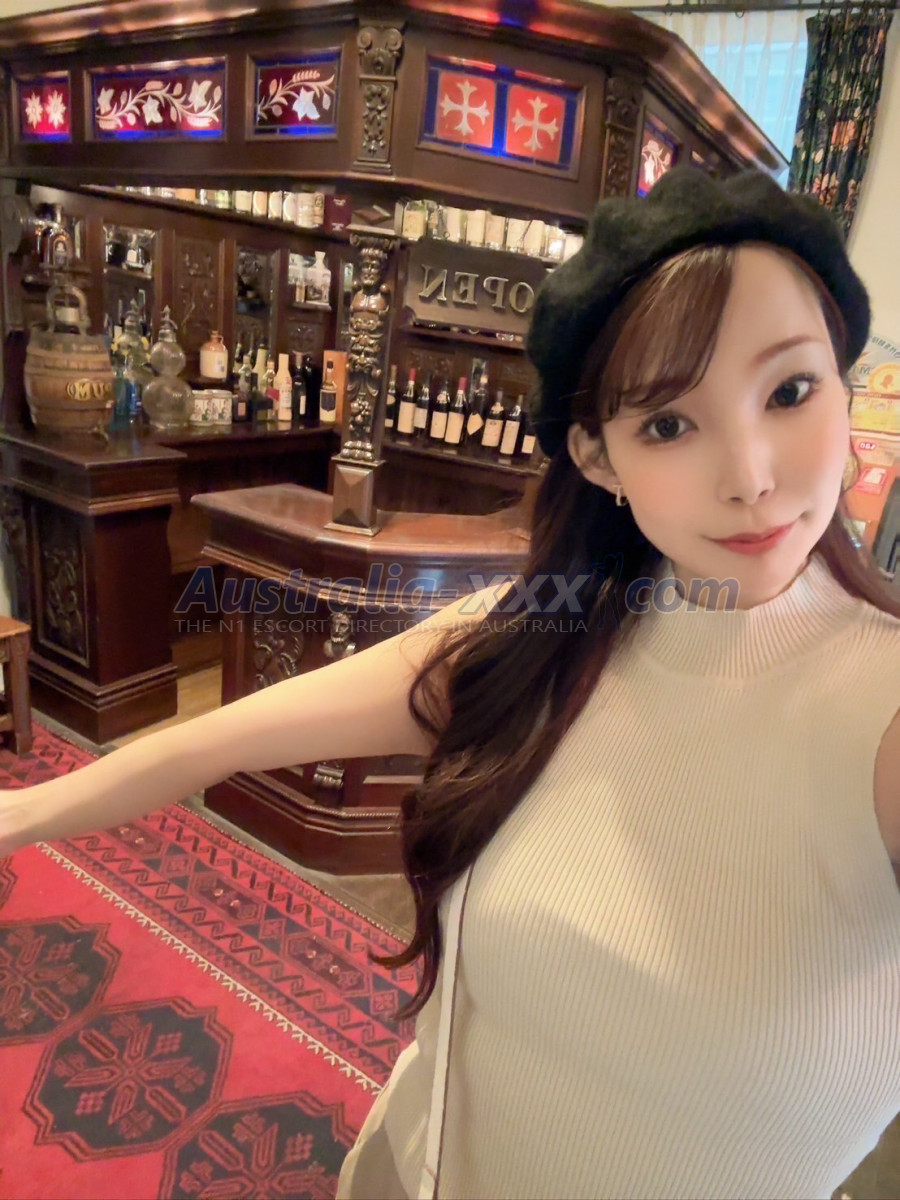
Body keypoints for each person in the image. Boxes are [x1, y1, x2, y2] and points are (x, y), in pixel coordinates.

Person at [1, 168, 898, 1200]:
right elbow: (218, 739)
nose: (750, 474)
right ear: (598, 458)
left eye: (790, 391)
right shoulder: (545, 634)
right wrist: (20, 814)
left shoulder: (879, 711)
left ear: (846, 382)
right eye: (666, 424)